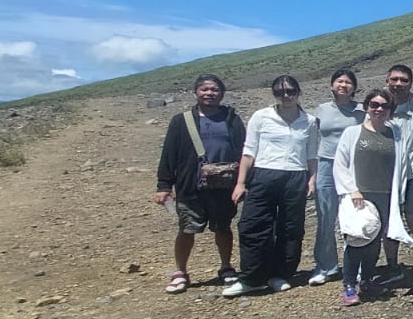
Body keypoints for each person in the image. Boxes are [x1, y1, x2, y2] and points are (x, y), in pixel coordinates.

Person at [224, 75, 319, 297]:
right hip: (264, 174)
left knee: (290, 228)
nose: (286, 96)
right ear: (274, 94)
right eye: (280, 92)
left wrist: (312, 179)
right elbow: (249, 152)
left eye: (291, 91)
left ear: (298, 92)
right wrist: (240, 182)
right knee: (253, 225)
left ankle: (281, 274)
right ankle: (251, 277)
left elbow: (311, 154)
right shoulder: (261, 117)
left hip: (295, 176)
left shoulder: (310, 121)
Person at [154, 74, 245, 293]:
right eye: (204, 89)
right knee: (187, 228)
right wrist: (164, 186)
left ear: (221, 94)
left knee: (223, 227)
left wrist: (244, 181)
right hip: (191, 184)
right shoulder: (181, 121)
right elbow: (169, 153)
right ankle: (181, 271)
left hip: (224, 185)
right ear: (196, 92)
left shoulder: (231, 118)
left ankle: (226, 266)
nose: (209, 93)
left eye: (214, 90)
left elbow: (244, 149)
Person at [331, 89, 409, 306]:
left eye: (384, 106)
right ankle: (348, 285)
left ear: (390, 111)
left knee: (374, 241)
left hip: (385, 195)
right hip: (360, 195)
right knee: (357, 239)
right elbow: (341, 163)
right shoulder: (353, 133)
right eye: (374, 104)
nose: (379, 109)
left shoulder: (394, 134)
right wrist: (351, 189)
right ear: (366, 107)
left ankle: (366, 280)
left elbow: (401, 165)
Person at [374, 64, 413, 289]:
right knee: (388, 223)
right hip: (385, 176)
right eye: (394, 79)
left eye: (403, 80)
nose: (398, 84)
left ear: (411, 83)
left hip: (412, 175)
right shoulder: (380, 105)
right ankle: (392, 267)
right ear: (387, 80)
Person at [309, 69, 365, 286]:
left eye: (348, 82)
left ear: (354, 87)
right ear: (332, 85)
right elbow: (314, 140)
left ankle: (358, 265)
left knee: (355, 215)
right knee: (325, 216)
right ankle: (326, 266)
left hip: (353, 165)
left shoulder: (361, 111)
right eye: (339, 81)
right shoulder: (322, 110)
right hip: (326, 164)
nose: (343, 85)